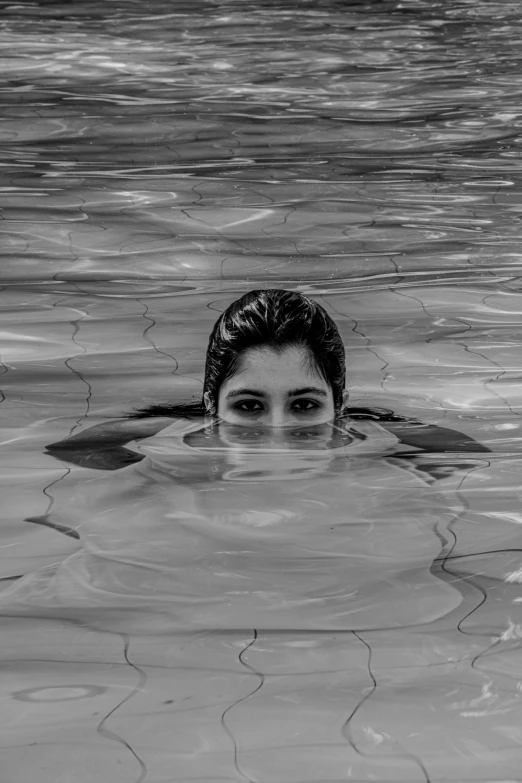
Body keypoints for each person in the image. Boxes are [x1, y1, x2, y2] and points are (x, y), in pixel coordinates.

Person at [45, 288, 489, 472]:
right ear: (209, 404)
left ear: (341, 403)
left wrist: (386, 466)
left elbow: (469, 456)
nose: (277, 432)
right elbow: (69, 453)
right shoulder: (182, 437)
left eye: (305, 405)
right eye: (249, 406)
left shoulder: (365, 433)